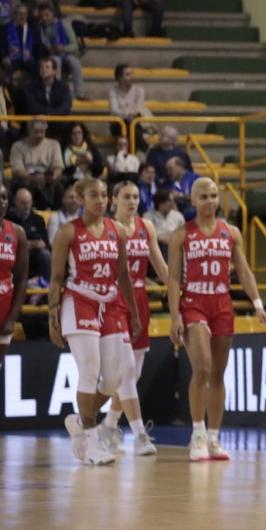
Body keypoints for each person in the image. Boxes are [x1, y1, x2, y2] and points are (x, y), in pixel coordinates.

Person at [168, 177, 266, 461]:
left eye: (214, 195)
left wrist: (258, 304)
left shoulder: (231, 233)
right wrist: (175, 314)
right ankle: (198, 434)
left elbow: (245, 271)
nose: (210, 201)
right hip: (194, 303)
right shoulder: (182, 235)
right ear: (193, 201)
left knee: (217, 374)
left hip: (222, 303)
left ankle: (214, 438)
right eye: (203, 197)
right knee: (201, 367)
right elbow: (174, 279)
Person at [48, 177, 140, 466]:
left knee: (114, 378)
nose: (101, 200)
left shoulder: (118, 231)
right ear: (79, 199)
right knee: (90, 369)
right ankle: (89, 441)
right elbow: (56, 278)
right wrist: (53, 315)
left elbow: (123, 275)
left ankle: (78, 420)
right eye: (94, 195)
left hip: (110, 303)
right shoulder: (67, 232)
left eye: (103, 195)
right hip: (79, 301)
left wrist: (134, 312)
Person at [98, 180, 169, 456]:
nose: (132, 201)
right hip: (115, 300)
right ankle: (140, 435)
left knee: (133, 373)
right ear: (113, 199)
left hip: (140, 299)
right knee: (126, 371)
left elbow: (160, 267)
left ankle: (109, 425)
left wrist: (179, 294)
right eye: (126, 196)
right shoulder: (106, 228)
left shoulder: (146, 227)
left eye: (136, 196)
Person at [0, 185, 30, 368]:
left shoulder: (17, 233)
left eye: (4, 197)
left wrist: (12, 317)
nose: (1, 201)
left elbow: (21, 277)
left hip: (4, 310)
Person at [35, 3, 86, 101]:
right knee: (55, 62)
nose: (45, 18)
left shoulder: (64, 24)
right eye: (42, 16)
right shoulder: (40, 27)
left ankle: (79, 94)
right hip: (52, 54)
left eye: (47, 15)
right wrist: (50, 49)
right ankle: (56, 92)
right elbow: (43, 43)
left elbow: (74, 45)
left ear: (53, 14)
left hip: (67, 52)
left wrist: (63, 48)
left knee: (75, 63)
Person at [10, 118, 64, 209]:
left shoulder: (54, 144)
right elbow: (17, 169)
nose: (39, 135)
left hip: (46, 175)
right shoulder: (17, 146)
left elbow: (58, 165)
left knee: (59, 184)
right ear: (29, 131)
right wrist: (32, 177)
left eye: (42, 132)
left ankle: (53, 210)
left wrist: (53, 175)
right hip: (27, 175)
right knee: (24, 184)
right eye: (36, 132)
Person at [7, 187, 50, 293]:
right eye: (22, 202)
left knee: (46, 254)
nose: (26, 205)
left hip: (35, 254)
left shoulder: (38, 219)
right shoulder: (8, 219)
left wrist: (38, 244)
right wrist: (30, 244)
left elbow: (45, 243)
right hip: (14, 253)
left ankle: (45, 286)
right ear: (15, 202)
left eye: (28, 202)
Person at [108, 64, 152, 137]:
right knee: (126, 125)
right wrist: (128, 115)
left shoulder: (139, 90)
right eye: (128, 74)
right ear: (120, 78)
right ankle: (145, 147)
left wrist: (128, 114)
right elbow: (114, 111)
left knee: (133, 127)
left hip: (136, 123)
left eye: (132, 74)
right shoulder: (113, 91)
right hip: (119, 124)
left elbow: (138, 109)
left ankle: (144, 147)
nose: (132, 77)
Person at [143, 189, 184, 259]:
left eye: (173, 200)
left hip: (174, 244)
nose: (172, 203)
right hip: (157, 245)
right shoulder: (148, 216)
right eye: (169, 201)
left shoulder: (178, 216)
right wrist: (160, 238)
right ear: (160, 203)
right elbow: (146, 235)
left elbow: (183, 234)